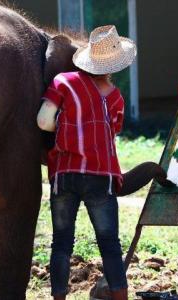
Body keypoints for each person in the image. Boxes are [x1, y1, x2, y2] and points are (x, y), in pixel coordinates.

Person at [37, 25, 136, 300]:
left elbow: (43, 121)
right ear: (114, 65)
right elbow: (113, 130)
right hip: (100, 176)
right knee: (109, 244)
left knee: (61, 243)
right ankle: (120, 296)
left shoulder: (63, 82)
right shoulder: (115, 97)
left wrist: (69, 125)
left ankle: (58, 297)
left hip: (65, 173)